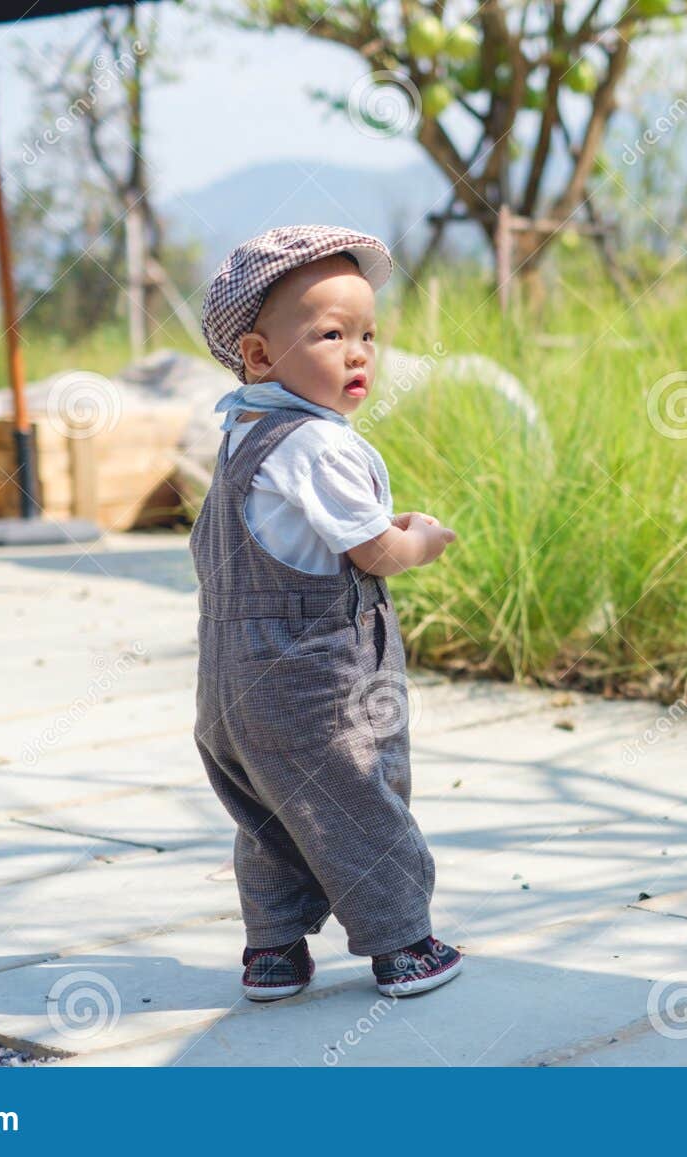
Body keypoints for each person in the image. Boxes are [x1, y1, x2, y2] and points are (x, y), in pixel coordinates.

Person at [192, 224, 462, 1000]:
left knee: (272, 812)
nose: (359, 353)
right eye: (331, 333)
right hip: (316, 676)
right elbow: (371, 552)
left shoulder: (242, 431)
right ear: (258, 353)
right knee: (357, 797)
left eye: (369, 334)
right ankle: (403, 945)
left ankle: (272, 953)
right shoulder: (318, 443)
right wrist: (420, 539)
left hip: (228, 686)